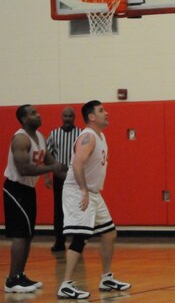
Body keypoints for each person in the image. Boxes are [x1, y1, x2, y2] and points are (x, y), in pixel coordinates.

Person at [57, 100, 131, 299]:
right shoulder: (88, 137)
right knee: (80, 237)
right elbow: (78, 163)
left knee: (109, 233)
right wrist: (82, 190)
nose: (106, 113)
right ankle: (66, 284)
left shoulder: (101, 136)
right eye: (101, 110)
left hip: (94, 192)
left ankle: (106, 278)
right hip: (78, 191)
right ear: (91, 116)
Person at [4, 104, 65, 293]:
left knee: (28, 234)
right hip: (15, 189)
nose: (38, 115)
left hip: (28, 189)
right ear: (23, 119)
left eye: (38, 112)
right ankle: (12, 281)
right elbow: (24, 169)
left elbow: (53, 163)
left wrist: (72, 179)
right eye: (33, 113)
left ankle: (20, 275)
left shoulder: (39, 138)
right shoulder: (20, 139)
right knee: (20, 235)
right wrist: (51, 169)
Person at [45, 106, 81, 252]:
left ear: (74, 117)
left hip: (76, 176)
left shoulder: (81, 134)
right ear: (62, 117)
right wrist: (47, 177)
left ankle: (76, 241)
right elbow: (47, 157)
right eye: (65, 116)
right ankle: (59, 241)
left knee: (76, 208)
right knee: (59, 209)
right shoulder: (54, 134)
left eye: (70, 116)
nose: (67, 119)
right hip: (59, 177)